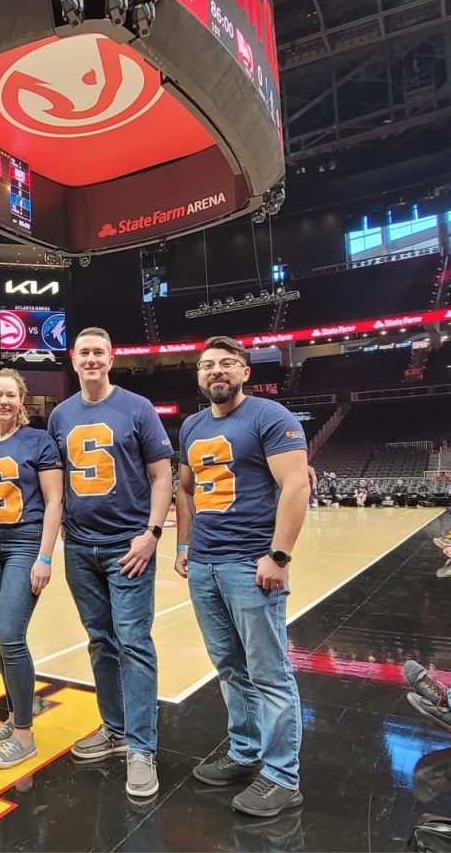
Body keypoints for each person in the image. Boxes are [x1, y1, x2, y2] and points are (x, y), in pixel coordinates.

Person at [174, 336, 309, 818]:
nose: (216, 371)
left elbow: (296, 485)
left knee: (269, 672)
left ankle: (281, 776)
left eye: (227, 364)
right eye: (208, 365)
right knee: (230, 667)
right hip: (205, 564)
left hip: (249, 564)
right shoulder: (190, 426)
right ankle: (245, 751)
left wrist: (279, 555)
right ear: (198, 375)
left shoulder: (270, 417)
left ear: (245, 373)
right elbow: (185, 489)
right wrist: (184, 545)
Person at [47, 327, 173, 799]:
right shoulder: (59, 415)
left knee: (134, 642)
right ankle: (115, 727)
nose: (92, 359)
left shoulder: (137, 408)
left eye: (100, 351)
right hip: (80, 548)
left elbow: (162, 476)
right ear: (73, 360)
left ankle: (142, 746)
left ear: (111, 358)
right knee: (100, 642)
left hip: (128, 546)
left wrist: (152, 534)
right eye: (84, 353)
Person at [0, 368, 63, 769]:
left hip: (25, 542)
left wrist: (45, 556)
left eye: (10, 394)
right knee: (0, 637)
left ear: (21, 400)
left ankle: (24, 734)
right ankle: (11, 716)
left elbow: (54, 501)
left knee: (10, 635)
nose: (3, 401)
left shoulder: (39, 441)